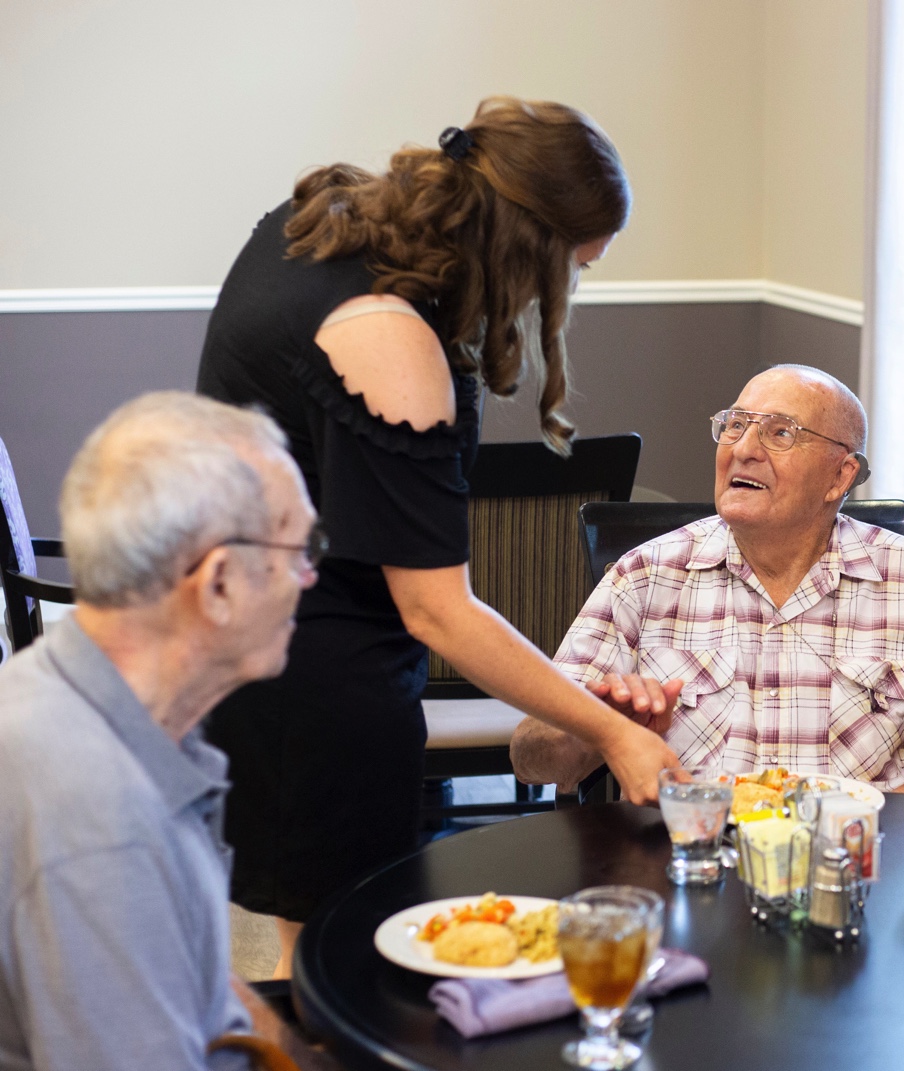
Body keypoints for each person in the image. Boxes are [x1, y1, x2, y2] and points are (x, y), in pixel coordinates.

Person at [196, 96, 679, 975]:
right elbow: (438, 612)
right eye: (571, 266)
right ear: (528, 244)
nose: (560, 294)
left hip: (239, 631)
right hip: (320, 684)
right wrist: (613, 732)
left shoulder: (319, 219)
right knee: (354, 969)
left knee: (312, 957)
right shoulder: (388, 340)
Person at [0, 393, 333, 1070]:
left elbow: (203, 991)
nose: (311, 576)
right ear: (216, 586)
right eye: (301, 548)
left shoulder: (84, 704)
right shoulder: (99, 816)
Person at [510, 365, 904, 796]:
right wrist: (594, 728)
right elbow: (529, 757)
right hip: (687, 866)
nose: (743, 449)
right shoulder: (645, 577)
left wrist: (895, 806)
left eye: (780, 433)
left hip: (853, 870)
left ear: (840, 477)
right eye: (734, 426)